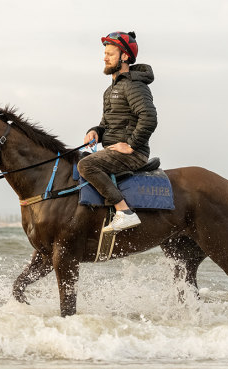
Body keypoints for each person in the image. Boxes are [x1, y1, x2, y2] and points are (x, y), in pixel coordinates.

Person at [77, 31, 158, 232]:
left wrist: (131, 145)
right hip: (114, 150)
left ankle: (124, 212)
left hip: (134, 154)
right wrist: (95, 131)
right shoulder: (111, 90)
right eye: (105, 53)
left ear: (124, 56)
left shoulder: (134, 85)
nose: (104, 57)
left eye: (110, 54)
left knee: (86, 165)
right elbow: (106, 124)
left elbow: (149, 118)